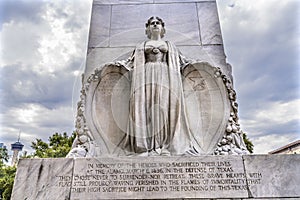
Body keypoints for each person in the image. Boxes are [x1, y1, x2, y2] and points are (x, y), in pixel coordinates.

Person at [120, 16, 199, 156]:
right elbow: (130, 62)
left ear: (163, 28)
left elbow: (183, 61)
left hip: (165, 76)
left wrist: (196, 65)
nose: (155, 25)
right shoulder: (141, 46)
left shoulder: (170, 45)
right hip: (146, 76)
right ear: (147, 28)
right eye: (152, 23)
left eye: (158, 23)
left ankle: (164, 145)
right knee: (147, 108)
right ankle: (149, 146)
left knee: (164, 108)